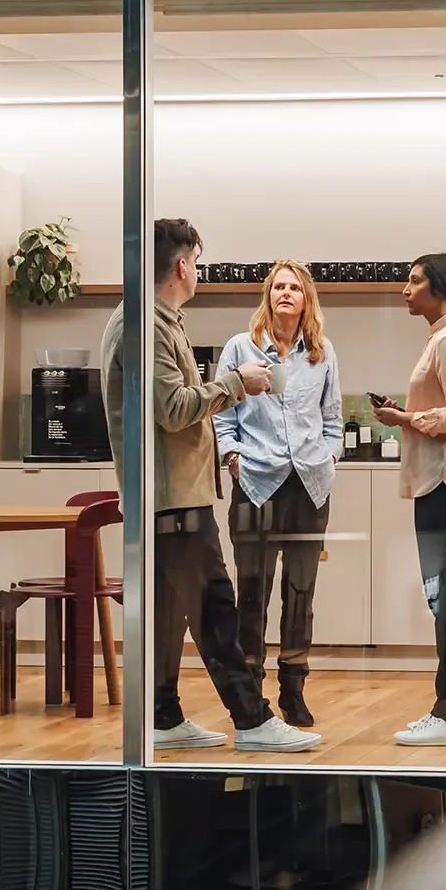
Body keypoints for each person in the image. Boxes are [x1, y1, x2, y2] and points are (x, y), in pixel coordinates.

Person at [100, 218, 321, 754]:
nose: (197, 271)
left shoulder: (156, 321)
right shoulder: (144, 326)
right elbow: (174, 410)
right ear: (182, 265)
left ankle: (163, 715)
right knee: (219, 610)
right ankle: (252, 719)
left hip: (175, 494)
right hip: (172, 498)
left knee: (170, 616)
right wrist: (235, 385)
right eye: (196, 263)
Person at [213, 261, 342, 730]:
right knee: (252, 592)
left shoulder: (322, 353)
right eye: (278, 287)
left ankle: (293, 688)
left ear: (306, 299)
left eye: (294, 288)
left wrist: (329, 458)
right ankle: (251, 693)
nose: (285, 294)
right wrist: (232, 458)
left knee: (301, 593)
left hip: (309, 486)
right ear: (267, 296)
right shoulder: (239, 348)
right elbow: (222, 416)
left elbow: (333, 420)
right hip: (256, 484)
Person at [372, 253, 446, 745]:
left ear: (439, 288)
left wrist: (405, 420)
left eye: (414, 281)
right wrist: (413, 415)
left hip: (445, 484)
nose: (405, 289)